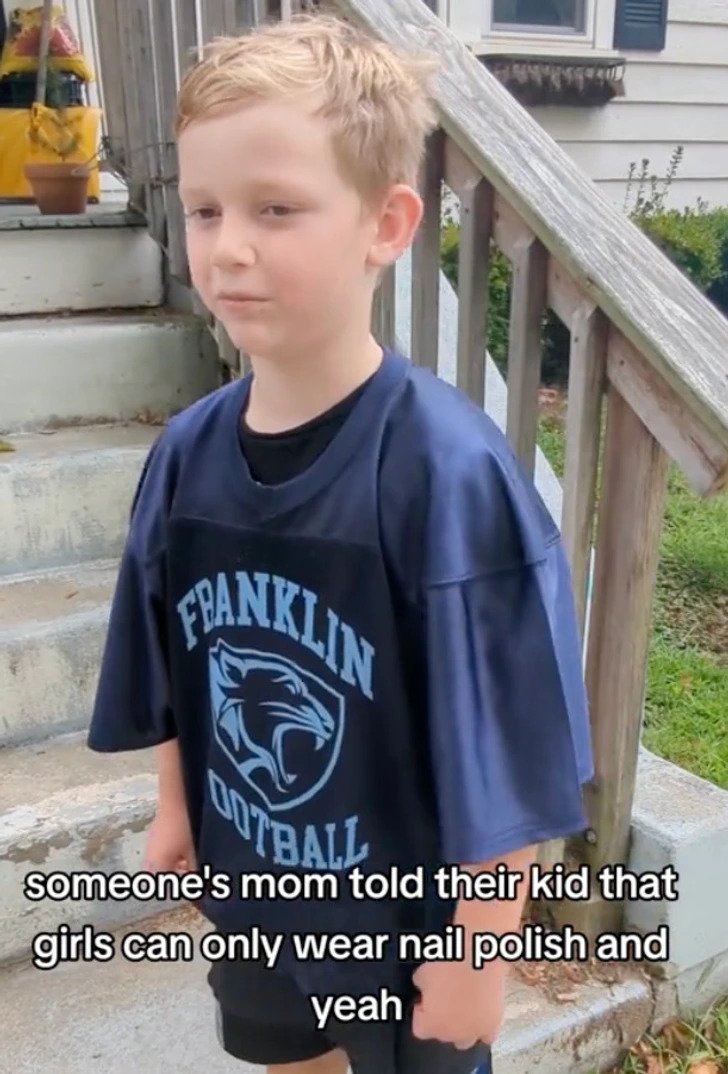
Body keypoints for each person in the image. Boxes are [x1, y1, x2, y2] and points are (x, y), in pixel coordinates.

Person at [87, 12, 593, 1074]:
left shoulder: (443, 474)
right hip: (256, 883)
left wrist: (479, 945)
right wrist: (177, 806)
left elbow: (509, 736)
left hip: (401, 918)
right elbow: (175, 663)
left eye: (276, 208)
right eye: (205, 209)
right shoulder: (185, 457)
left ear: (386, 223)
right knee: (284, 1056)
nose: (228, 247)